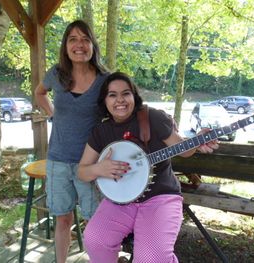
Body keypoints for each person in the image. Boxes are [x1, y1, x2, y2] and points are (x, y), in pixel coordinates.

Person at [78, 72, 219, 263]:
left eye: (125, 93)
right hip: (120, 200)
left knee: (151, 258)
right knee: (95, 239)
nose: (120, 100)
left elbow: (184, 150)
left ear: (133, 97)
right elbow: (82, 171)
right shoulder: (101, 131)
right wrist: (99, 169)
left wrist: (198, 141)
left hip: (160, 197)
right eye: (112, 95)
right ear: (104, 101)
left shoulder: (152, 117)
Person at [34, 20, 109, 262]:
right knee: (63, 218)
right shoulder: (57, 73)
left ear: (93, 46)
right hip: (58, 161)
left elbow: (121, 110)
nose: (79, 45)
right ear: (66, 45)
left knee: (94, 220)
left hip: (90, 164)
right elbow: (39, 92)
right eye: (73, 39)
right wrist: (53, 112)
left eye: (85, 39)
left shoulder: (104, 79)